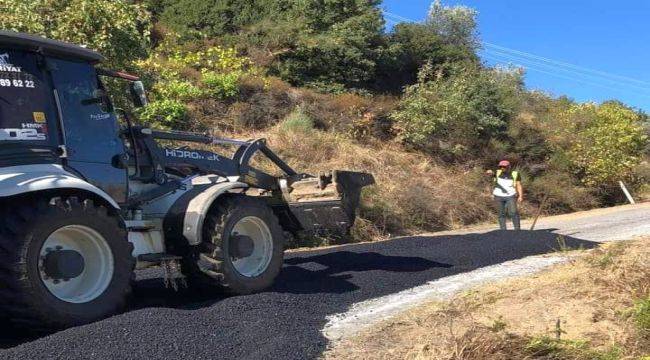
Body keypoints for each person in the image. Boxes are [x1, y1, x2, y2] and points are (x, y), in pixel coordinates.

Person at [486, 160, 523, 230]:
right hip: (498, 196)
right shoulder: (497, 172)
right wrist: (489, 172)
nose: (502, 168)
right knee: (501, 214)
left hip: (510, 195)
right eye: (501, 167)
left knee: (513, 212)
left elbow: (519, 185)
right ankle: (503, 231)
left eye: (504, 167)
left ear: (509, 167)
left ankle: (517, 230)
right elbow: (491, 173)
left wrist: (520, 196)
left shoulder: (515, 174)